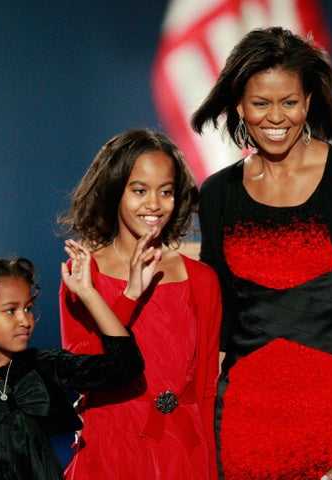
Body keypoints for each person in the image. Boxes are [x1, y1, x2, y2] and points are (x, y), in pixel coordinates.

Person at [191, 26, 332, 480]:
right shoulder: (219, 193)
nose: (275, 117)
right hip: (244, 426)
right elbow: (212, 323)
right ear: (239, 105)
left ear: (308, 103)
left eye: (289, 102)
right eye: (261, 103)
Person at [59, 129, 222, 479]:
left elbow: (207, 387)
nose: (153, 204)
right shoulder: (86, 272)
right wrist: (129, 295)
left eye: (165, 191)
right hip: (111, 444)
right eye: (139, 190)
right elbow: (85, 371)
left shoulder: (202, 279)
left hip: (182, 447)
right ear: (115, 192)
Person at [0, 244, 147, 479]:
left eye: (28, 308)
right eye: (11, 310)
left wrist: (88, 293)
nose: (25, 320)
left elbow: (126, 365)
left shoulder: (43, 365)